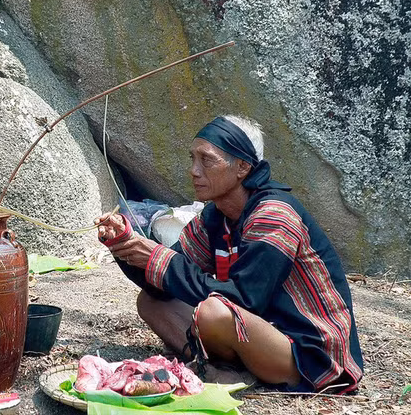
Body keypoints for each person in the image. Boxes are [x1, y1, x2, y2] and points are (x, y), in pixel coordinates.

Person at [96, 115, 363, 393]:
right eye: (192, 159)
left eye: (207, 160)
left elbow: (245, 299)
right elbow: (166, 282)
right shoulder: (216, 216)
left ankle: (230, 370)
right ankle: (222, 369)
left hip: (311, 356)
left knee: (213, 312)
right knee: (152, 302)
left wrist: (158, 258)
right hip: (261, 334)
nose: (194, 171)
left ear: (242, 167)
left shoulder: (273, 215)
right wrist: (124, 244)